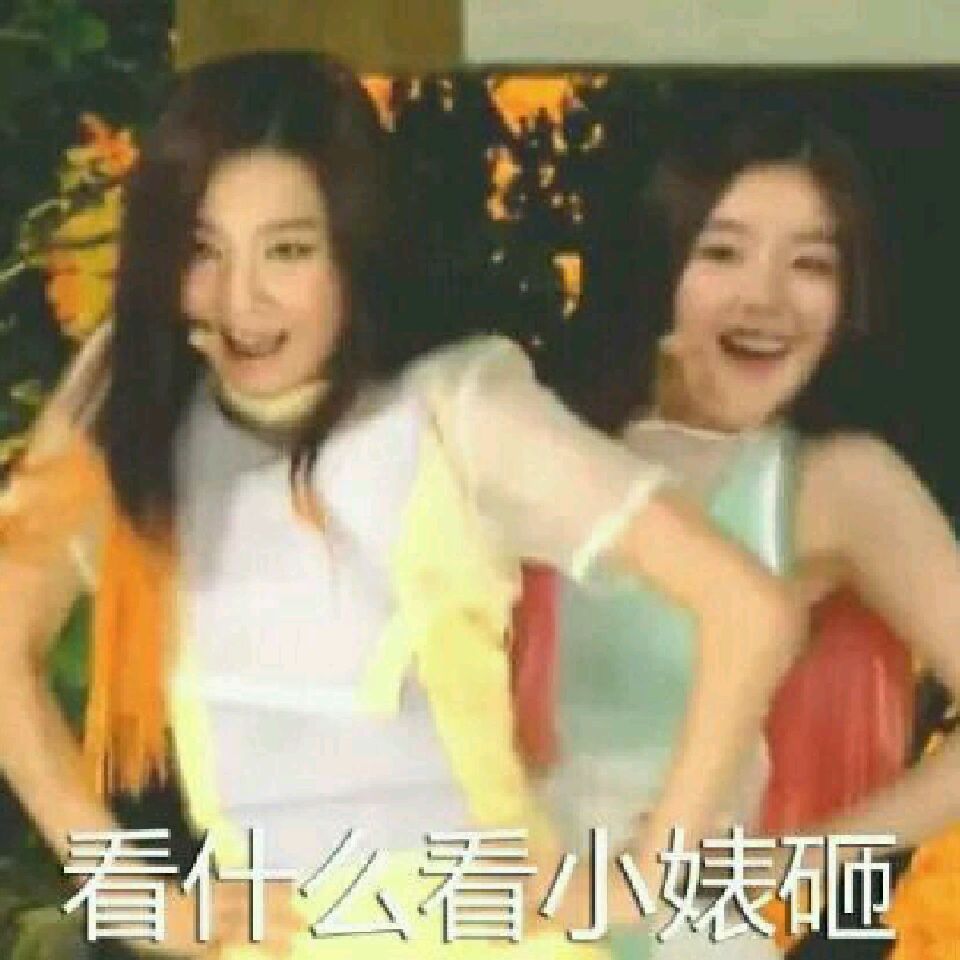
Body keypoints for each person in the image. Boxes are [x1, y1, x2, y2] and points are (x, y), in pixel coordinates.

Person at [0, 54, 800, 960]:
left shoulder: (457, 411)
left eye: (288, 251)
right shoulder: (130, 400)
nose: (240, 300)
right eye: (201, 251)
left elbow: (751, 610)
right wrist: (133, 897)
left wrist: (645, 875)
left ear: (354, 249)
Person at [514, 110, 960, 957]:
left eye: (811, 264)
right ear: (658, 265)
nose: (768, 299)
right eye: (723, 253)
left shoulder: (835, 483)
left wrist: (803, 859)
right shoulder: (551, 439)